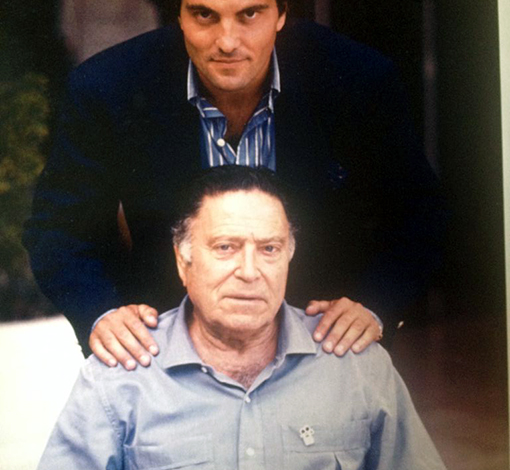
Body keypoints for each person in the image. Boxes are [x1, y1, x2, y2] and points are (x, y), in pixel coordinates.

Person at [24, 0, 446, 369]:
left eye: (249, 14)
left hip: (322, 350)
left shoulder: (357, 80)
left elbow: (420, 216)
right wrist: (102, 314)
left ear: (281, 12)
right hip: (164, 355)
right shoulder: (108, 88)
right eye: (204, 15)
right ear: (178, 13)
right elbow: (58, 230)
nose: (227, 41)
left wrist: (375, 304)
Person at [36, 166, 447, 470]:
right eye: (226, 247)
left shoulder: (356, 366)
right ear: (183, 262)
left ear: (289, 259)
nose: (250, 272)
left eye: (269, 249)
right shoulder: (119, 380)